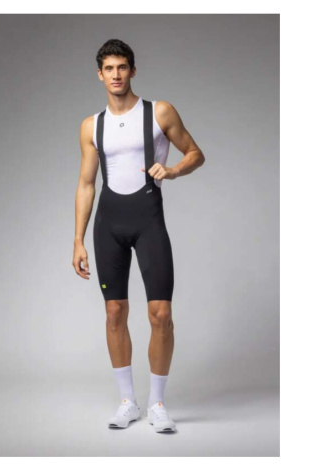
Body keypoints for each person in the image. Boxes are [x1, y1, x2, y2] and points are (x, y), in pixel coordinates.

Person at [73, 39, 205, 433]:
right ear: (99, 74)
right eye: (109, 69)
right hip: (108, 224)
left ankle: (157, 403)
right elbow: (86, 184)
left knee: (160, 315)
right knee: (114, 312)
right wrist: (78, 239)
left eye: (122, 67)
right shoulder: (91, 125)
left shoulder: (159, 112)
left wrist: (174, 170)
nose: (116, 75)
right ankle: (128, 402)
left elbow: (195, 153)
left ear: (133, 70)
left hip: (148, 220)